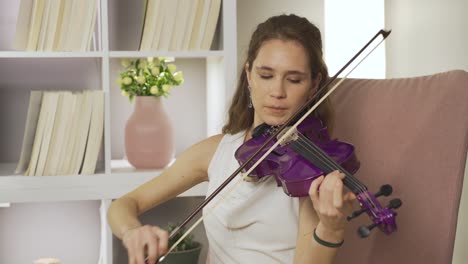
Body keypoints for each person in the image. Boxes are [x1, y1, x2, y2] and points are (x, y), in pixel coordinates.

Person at [107, 14, 356, 264]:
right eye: (266, 75)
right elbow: (125, 204)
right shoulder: (216, 150)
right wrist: (132, 232)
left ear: (314, 86)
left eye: (294, 80)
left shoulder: (312, 172)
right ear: (249, 75)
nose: (277, 92)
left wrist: (330, 229)